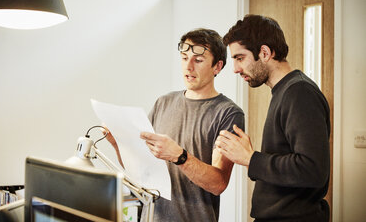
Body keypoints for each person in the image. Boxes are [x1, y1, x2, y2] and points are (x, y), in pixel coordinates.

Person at [216, 14, 330, 222]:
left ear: (265, 52)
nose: (235, 69)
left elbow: (312, 169)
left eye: (240, 58)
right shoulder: (284, 91)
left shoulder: (299, 92)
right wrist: (251, 157)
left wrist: (251, 159)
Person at [139, 28, 245, 222]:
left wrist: (179, 156)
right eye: (184, 57)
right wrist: (116, 142)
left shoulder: (228, 113)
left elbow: (218, 184)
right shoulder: (163, 103)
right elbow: (141, 169)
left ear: (217, 67)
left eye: (198, 60)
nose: (188, 67)